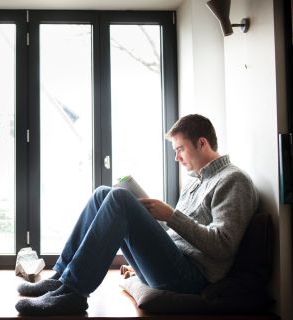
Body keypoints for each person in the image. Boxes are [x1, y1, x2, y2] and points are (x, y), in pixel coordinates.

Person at [15, 114, 259, 316]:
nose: (177, 157)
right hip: (173, 263)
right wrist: (153, 218)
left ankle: (73, 293)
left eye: (180, 149)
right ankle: (61, 277)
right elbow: (181, 235)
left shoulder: (233, 180)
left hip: (192, 278)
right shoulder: (195, 181)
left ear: (202, 143)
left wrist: (171, 215)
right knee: (104, 194)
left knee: (120, 200)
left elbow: (223, 246)